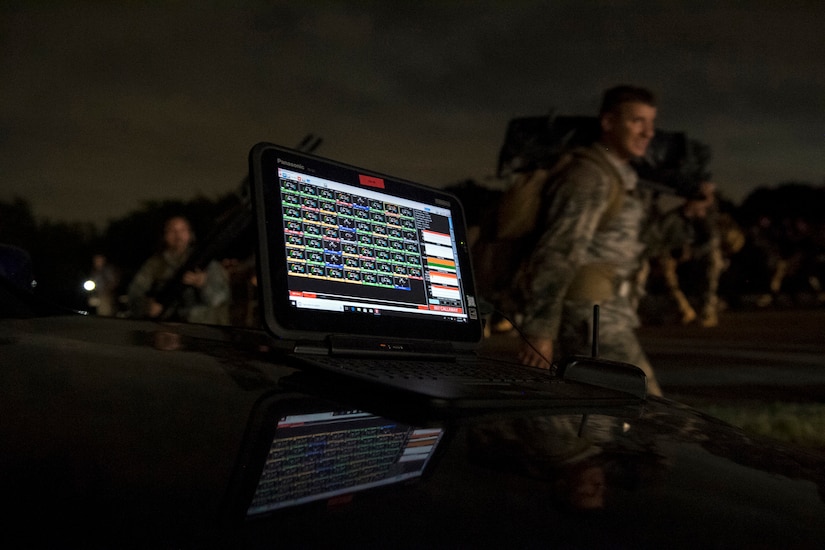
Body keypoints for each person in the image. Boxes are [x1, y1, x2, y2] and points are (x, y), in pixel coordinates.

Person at [515, 85, 663, 396]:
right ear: (609, 123)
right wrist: (540, 330)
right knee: (646, 407)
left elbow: (642, 242)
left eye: (651, 123)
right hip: (589, 315)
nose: (648, 132)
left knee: (595, 410)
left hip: (607, 309)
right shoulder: (588, 176)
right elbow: (558, 251)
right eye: (637, 121)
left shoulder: (620, 176)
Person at [128, 215, 230, 325]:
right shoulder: (154, 265)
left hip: (202, 327)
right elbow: (135, 292)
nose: (178, 235)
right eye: (172, 231)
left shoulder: (206, 262)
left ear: (190, 234)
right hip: (167, 328)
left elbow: (221, 299)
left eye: (182, 230)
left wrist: (203, 284)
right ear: (164, 236)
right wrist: (147, 306)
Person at [652, 182, 725, 327]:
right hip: (674, 252)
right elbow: (659, 238)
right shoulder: (673, 215)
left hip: (695, 254)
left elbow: (712, 241)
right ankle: (683, 309)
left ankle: (707, 310)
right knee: (664, 266)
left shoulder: (707, 218)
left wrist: (692, 252)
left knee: (714, 260)